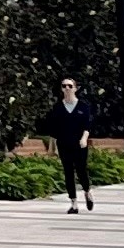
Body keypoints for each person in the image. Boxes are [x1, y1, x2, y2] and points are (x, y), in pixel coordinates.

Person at [45, 78, 95, 211]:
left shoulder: (83, 107)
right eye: (64, 86)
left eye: (70, 86)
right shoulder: (58, 108)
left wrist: (84, 138)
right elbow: (53, 130)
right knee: (68, 172)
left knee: (81, 170)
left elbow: (87, 125)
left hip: (79, 144)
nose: (67, 88)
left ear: (75, 88)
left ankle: (87, 192)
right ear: (61, 88)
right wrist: (52, 147)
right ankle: (73, 203)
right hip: (64, 143)